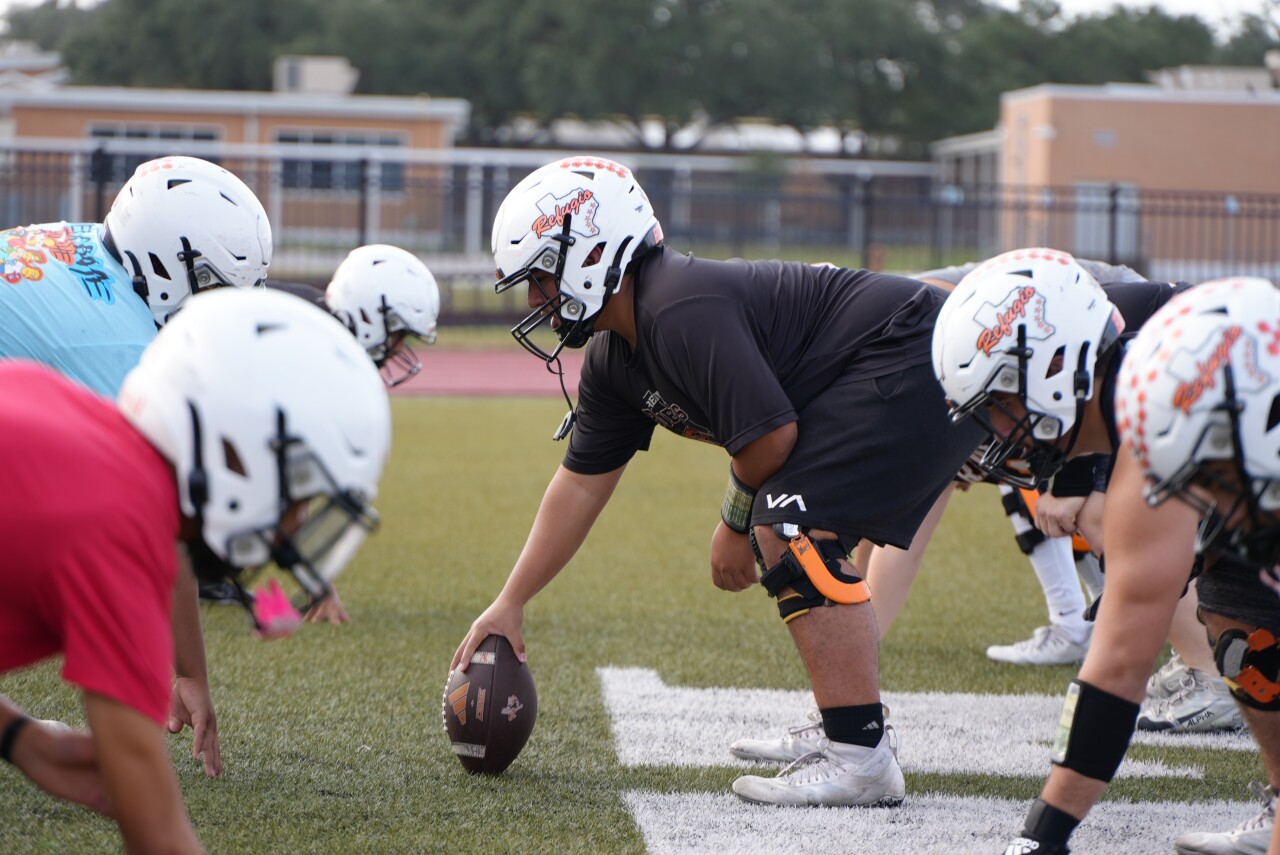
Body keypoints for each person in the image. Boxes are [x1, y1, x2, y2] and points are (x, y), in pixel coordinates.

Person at [450, 155, 983, 807]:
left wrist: (733, 521)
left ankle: (860, 755)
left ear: (591, 250)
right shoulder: (616, 356)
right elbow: (580, 484)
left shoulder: (677, 306)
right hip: (884, 360)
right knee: (793, 524)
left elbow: (769, 440)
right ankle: (849, 724)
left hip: (916, 350)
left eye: (541, 276)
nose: (535, 299)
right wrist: (510, 600)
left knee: (785, 527)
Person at [0, 287, 391, 852]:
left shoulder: (67, 411)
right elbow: (158, 833)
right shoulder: (118, 532)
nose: (295, 523)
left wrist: (21, 738)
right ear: (242, 456)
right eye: (298, 493)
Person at [931, 265, 1278, 854]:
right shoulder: (1154, 415)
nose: (994, 428)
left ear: (1057, 368)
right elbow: (1118, 665)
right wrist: (1043, 838)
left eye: (1001, 400)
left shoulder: (1178, 405)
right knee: (1235, 605)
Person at [0, 154, 272, 776]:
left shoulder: (91, 246)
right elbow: (160, 529)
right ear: (167, 265)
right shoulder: (120, 342)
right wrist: (190, 673)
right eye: (214, 287)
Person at [266, 243, 441, 624]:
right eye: (398, 334)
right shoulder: (303, 349)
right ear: (368, 316)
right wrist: (319, 587)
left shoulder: (322, 334)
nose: (399, 349)